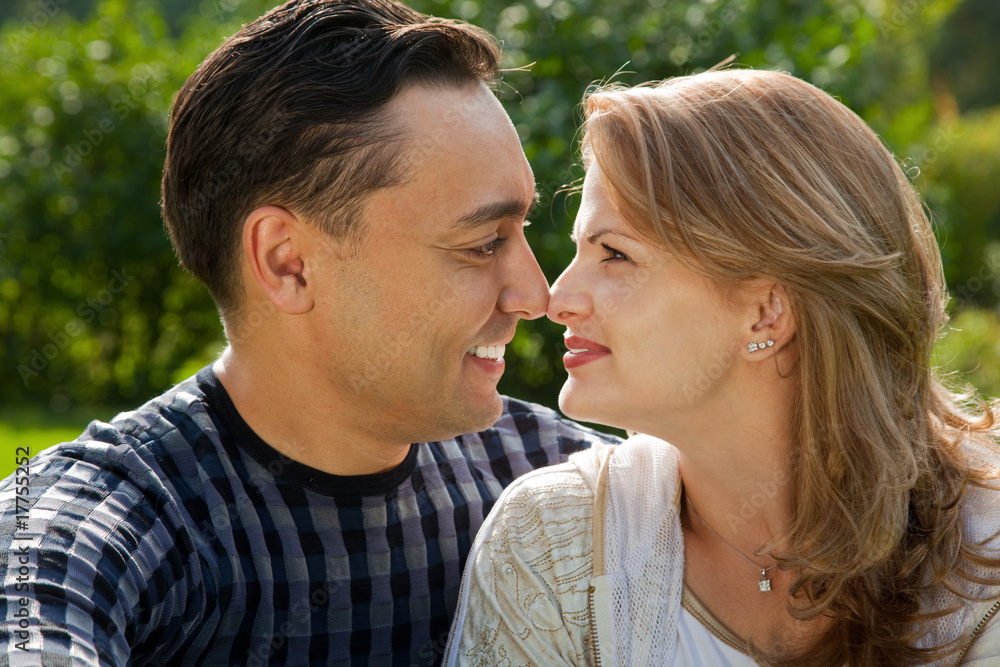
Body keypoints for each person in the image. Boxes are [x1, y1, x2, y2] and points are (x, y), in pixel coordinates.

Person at [0, 1, 617, 664]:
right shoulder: (110, 516)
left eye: (520, 231)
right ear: (287, 262)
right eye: (481, 242)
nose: (536, 294)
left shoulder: (561, 487)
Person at [443, 68, 1000, 666]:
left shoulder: (986, 544)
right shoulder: (553, 546)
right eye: (581, 251)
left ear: (765, 314)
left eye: (615, 255)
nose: (557, 298)